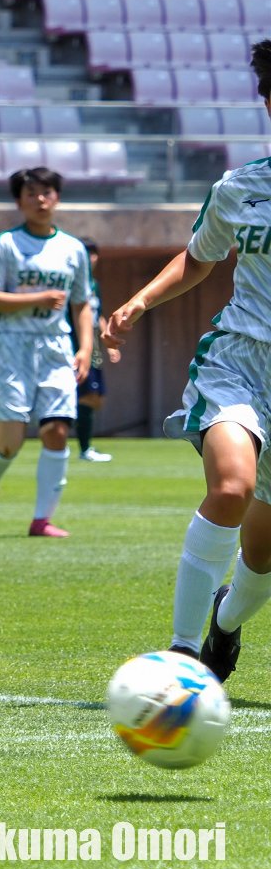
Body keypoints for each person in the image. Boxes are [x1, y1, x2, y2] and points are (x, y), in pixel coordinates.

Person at [104, 39, 271, 682]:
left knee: (260, 568)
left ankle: (224, 623)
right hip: (239, 363)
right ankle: (180, 655)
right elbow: (200, 257)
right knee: (231, 487)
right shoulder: (241, 188)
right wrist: (140, 302)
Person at [0, 167, 92, 538]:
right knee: (10, 443)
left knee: (56, 429)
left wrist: (86, 348)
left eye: (47, 192)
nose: (40, 200)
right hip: (11, 344)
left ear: (57, 197)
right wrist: (38, 298)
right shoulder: (6, 244)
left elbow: (82, 303)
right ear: (18, 201)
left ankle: (41, 520)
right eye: (31, 193)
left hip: (56, 345)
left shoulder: (74, 249)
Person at [75, 239, 122, 462]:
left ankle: (65, 419)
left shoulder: (94, 285)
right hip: (77, 348)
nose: (92, 258)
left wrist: (109, 342)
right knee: (88, 395)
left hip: (94, 349)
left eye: (94, 254)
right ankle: (84, 449)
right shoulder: (71, 283)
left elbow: (99, 316)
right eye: (87, 253)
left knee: (97, 398)